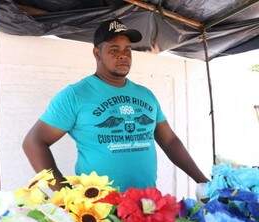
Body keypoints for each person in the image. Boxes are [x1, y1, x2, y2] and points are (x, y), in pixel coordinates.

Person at [22, 19, 208, 191]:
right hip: (99, 212)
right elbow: (33, 143)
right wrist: (63, 194)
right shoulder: (75, 95)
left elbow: (169, 141)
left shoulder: (146, 95)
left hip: (147, 206)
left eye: (127, 49)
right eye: (114, 49)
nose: (123, 55)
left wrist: (204, 182)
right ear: (97, 53)